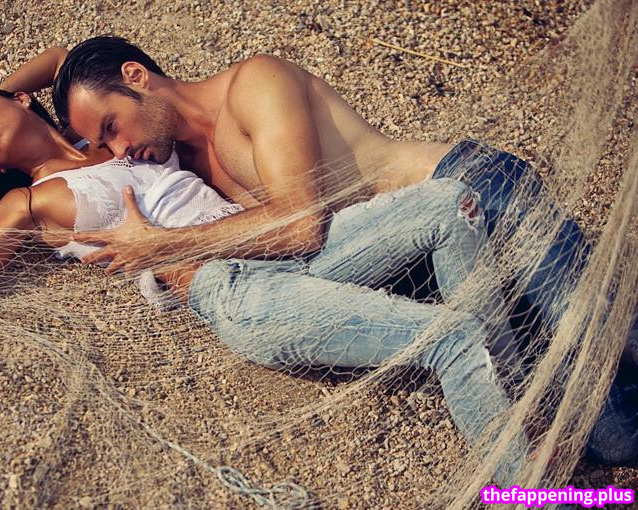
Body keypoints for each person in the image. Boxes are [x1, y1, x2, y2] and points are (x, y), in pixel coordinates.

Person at [51, 36, 638, 468]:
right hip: (431, 262)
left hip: (476, 190)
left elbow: (301, 224)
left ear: (137, 75)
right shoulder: (191, 167)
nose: (118, 150)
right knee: (610, 439)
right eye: (102, 144)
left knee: (612, 350)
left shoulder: (253, 83)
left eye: (112, 127)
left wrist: (162, 246)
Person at [0, 84, 245, 309]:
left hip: (248, 228)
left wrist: (3, 91)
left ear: (22, 98)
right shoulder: (24, 202)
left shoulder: (96, 129)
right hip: (215, 278)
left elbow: (60, 58)